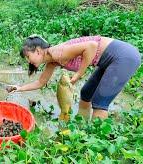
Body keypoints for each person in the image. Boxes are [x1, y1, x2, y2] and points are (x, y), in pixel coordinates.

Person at [10, 35, 141, 119]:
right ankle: (82, 124)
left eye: (28, 56)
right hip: (107, 62)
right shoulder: (51, 61)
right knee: (86, 93)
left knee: (100, 102)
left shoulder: (58, 53)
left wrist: (79, 73)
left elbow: (92, 46)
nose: (28, 61)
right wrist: (19, 88)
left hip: (124, 57)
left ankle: (95, 141)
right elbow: (40, 82)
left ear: (38, 51)